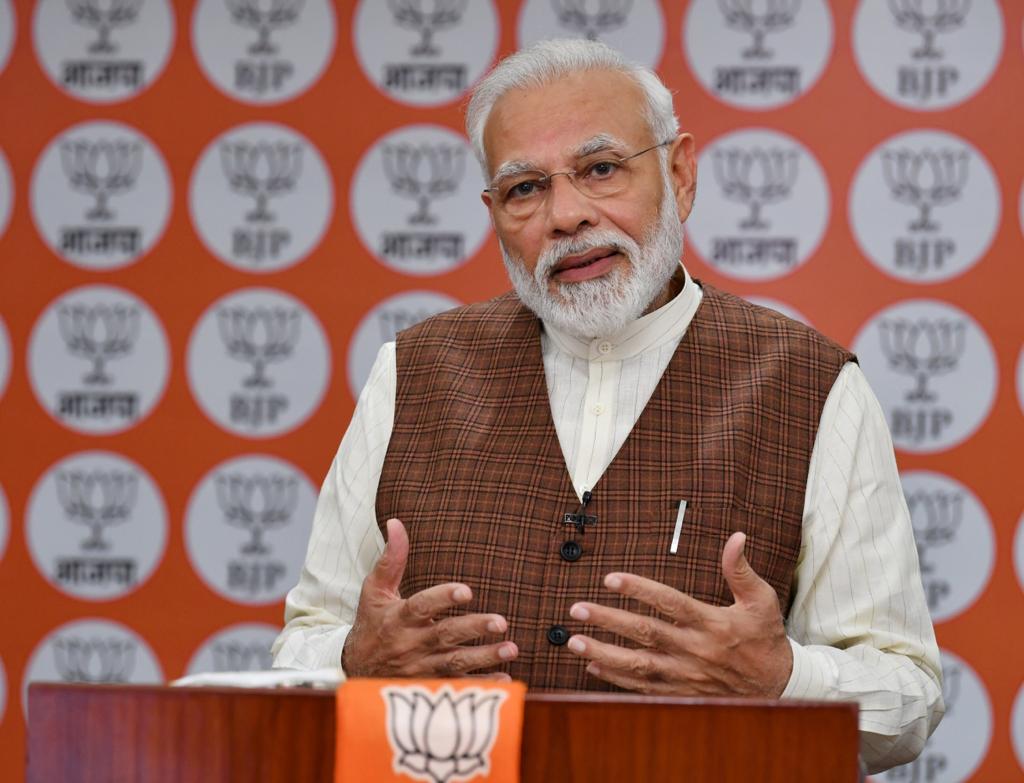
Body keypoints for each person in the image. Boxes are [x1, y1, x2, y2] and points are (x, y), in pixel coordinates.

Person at [272, 39, 942, 772]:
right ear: (493, 212)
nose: (566, 215)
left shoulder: (811, 385)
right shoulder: (412, 371)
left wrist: (783, 680)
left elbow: (907, 695)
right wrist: (352, 659)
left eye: (600, 169)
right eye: (526, 188)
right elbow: (302, 647)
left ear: (679, 174)